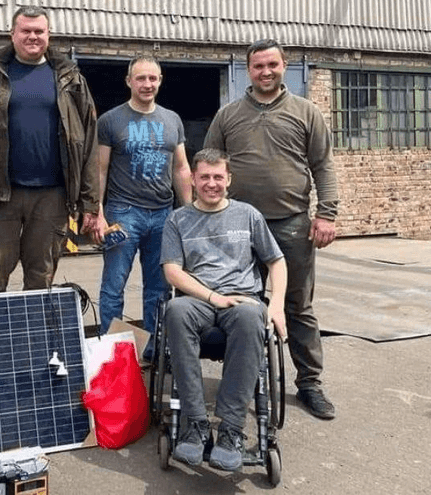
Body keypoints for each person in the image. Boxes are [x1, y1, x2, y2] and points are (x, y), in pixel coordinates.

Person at [203, 38, 339, 420]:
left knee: (297, 305)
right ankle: (245, 376)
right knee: (238, 304)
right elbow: (210, 165)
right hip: (236, 229)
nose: (266, 72)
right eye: (258, 66)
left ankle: (310, 383)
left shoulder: (305, 112)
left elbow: (324, 166)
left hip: (291, 224)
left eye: (272, 65)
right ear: (248, 70)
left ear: (284, 66)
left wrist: (326, 213)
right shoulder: (228, 115)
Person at [161, 148, 287, 472]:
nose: (212, 183)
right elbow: (173, 272)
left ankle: (231, 430)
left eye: (218, 177)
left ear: (229, 179)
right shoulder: (178, 220)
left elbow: (277, 261)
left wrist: (277, 306)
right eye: (205, 176)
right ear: (193, 178)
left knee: (250, 316)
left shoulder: (248, 215)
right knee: (174, 310)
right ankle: (197, 425)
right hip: (199, 298)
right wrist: (213, 297)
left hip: (243, 299)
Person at [0, 6, 101, 294]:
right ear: (12, 34)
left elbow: (88, 142)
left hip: (52, 196)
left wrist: (90, 202)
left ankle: (32, 338)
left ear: (48, 35)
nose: (32, 36)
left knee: (41, 278)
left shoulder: (70, 79)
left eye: (39, 31)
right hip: (1, 195)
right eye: (25, 31)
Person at [92, 56, 192, 357]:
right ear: (129, 81)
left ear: (160, 80)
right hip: (123, 213)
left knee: (159, 288)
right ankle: (112, 354)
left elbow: (181, 168)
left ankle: (153, 352)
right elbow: (100, 170)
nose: (147, 84)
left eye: (152, 78)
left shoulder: (172, 119)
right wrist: (98, 212)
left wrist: (188, 214)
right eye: (140, 79)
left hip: (164, 215)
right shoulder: (110, 120)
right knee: (113, 286)